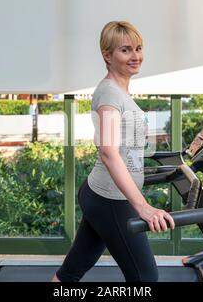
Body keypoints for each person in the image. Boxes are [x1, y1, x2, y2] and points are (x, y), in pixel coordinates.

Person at [52, 21, 175, 282]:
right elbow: (108, 152)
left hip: (102, 195)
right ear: (107, 55)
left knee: (70, 273)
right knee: (145, 278)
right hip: (111, 199)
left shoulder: (119, 91)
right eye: (125, 50)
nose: (135, 56)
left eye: (138, 48)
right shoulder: (109, 95)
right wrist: (143, 207)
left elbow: (125, 147)